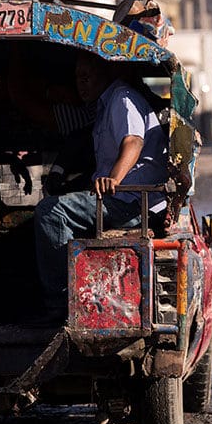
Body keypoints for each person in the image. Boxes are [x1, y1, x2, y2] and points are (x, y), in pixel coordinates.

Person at [34, 52, 168, 321]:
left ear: (106, 73)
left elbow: (133, 141)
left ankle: (60, 303)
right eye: (77, 79)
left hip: (130, 203)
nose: (81, 85)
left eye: (86, 77)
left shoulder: (122, 99)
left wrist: (114, 180)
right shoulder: (105, 106)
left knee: (50, 212)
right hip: (126, 200)